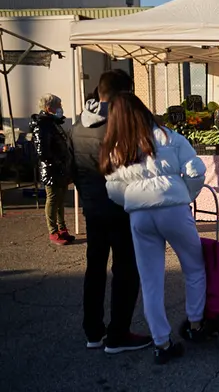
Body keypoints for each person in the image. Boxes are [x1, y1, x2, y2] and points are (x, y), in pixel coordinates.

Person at [101, 93, 208, 365]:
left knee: (150, 281)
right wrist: (185, 194)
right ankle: (196, 325)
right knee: (194, 268)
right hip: (173, 209)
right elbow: (195, 169)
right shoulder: (169, 136)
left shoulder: (117, 147)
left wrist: (133, 201)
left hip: (139, 215)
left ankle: (162, 342)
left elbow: (113, 189)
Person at [70, 70, 151, 353]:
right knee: (126, 271)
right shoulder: (122, 124)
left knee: (95, 269)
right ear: (123, 94)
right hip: (120, 206)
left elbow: (73, 167)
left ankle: (93, 332)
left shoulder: (77, 123)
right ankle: (118, 334)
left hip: (92, 208)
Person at [30, 93, 74, 245]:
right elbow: (42, 151)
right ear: (49, 108)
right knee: (53, 199)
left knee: (60, 199)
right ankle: (53, 231)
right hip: (51, 169)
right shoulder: (42, 125)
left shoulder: (53, 123)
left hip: (59, 168)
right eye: (59, 106)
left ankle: (62, 229)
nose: (61, 109)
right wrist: (57, 160)